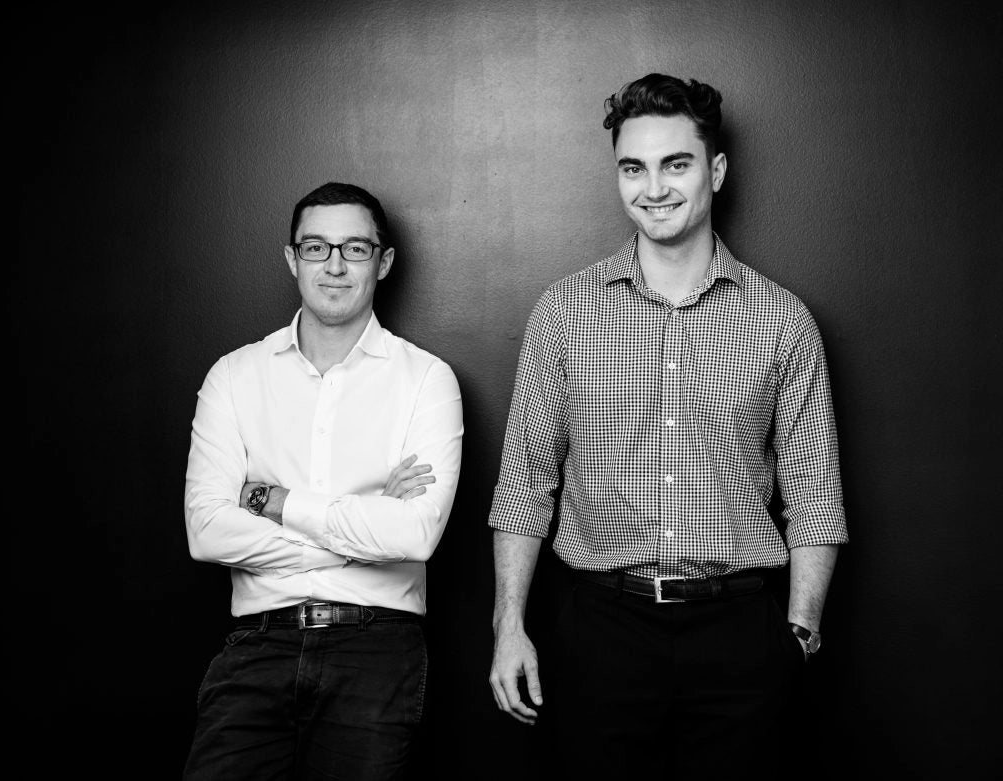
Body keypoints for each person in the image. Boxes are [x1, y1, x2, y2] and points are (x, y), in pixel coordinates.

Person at [488, 73, 848, 775]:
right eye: (634, 168)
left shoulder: (782, 319)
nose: (653, 188)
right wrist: (509, 627)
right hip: (599, 632)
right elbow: (525, 484)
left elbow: (814, 492)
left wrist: (799, 633)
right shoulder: (564, 313)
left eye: (675, 164)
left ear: (716, 169)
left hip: (741, 636)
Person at [183, 181, 463, 780]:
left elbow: (414, 536)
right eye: (316, 248)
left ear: (383, 262)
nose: (334, 266)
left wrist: (275, 501)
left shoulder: (426, 380)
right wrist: (363, 533)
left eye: (355, 249)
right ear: (293, 259)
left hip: (376, 648)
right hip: (258, 645)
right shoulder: (234, 376)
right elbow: (206, 531)